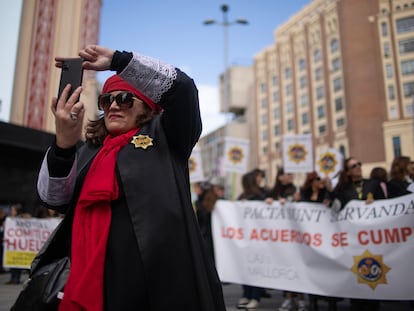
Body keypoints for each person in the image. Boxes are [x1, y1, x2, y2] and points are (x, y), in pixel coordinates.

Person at [36, 45, 226, 310]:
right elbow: (53, 199)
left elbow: (183, 90)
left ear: (147, 106)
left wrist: (119, 60)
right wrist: (64, 145)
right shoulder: (91, 150)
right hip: (88, 275)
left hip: (151, 282)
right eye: (106, 100)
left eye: (124, 98)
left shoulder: (168, 138)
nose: (113, 105)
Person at [331, 157, 384, 311]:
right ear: (348, 171)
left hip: (372, 236)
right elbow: (336, 208)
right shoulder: (343, 189)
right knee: (356, 270)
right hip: (354, 238)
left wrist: (375, 204)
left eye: (359, 164)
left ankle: (374, 303)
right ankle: (357, 302)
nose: (358, 167)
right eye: (354, 166)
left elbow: (386, 204)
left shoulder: (373, 184)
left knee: (374, 268)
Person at [236, 171, 267, 310]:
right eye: (258, 177)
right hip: (247, 238)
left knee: (257, 267)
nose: (261, 179)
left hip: (259, 238)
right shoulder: (242, 197)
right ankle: (246, 294)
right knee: (246, 267)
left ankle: (255, 296)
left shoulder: (264, 194)